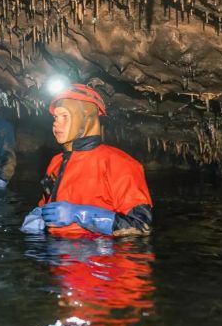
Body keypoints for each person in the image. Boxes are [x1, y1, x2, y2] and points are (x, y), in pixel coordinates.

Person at [21, 84, 152, 236]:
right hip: (57, 252)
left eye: (64, 116)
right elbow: (47, 202)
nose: (56, 123)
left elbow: (141, 226)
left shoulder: (120, 163)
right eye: (55, 117)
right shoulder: (56, 162)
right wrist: (39, 214)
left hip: (101, 253)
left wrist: (82, 215)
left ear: (88, 119)